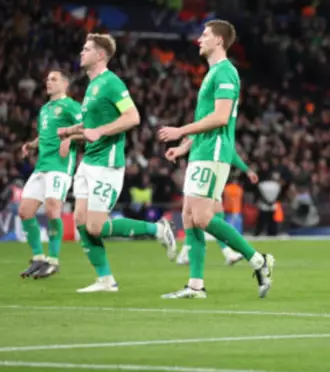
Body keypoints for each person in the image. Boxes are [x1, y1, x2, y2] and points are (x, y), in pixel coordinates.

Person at [158, 20, 274, 299]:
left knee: (201, 217)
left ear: (219, 40)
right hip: (200, 151)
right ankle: (196, 286)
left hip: (214, 152)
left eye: (205, 35)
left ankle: (258, 260)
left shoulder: (225, 72)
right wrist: (185, 147)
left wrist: (181, 131)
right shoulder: (212, 73)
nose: (200, 39)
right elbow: (206, 120)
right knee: (189, 216)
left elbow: (221, 118)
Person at [58, 34, 177, 293]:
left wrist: (100, 132)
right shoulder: (93, 86)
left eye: (87, 49)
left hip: (107, 163)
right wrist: (71, 132)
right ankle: (105, 280)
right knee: (80, 220)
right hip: (88, 161)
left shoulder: (112, 83)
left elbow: (132, 117)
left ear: (100, 55)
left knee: (96, 226)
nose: (81, 52)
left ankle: (157, 229)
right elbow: (91, 126)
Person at [18, 71, 82, 279]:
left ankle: (53, 260)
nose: (48, 82)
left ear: (65, 84)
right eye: (47, 79)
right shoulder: (45, 109)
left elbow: (88, 129)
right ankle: (38, 257)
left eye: (54, 79)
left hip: (60, 165)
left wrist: (70, 139)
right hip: (42, 165)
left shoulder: (72, 106)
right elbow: (45, 134)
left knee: (52, 208)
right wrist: (32, 145)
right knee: (25, 211)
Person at [165, 136, 249, 265]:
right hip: (199, 174)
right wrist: (184, 147)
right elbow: (186, 141)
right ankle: (190, 253)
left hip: (207, 173)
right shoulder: (200, 133)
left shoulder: (212, 135)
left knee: (213, 213)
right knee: (203, 216)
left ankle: (223, 252)